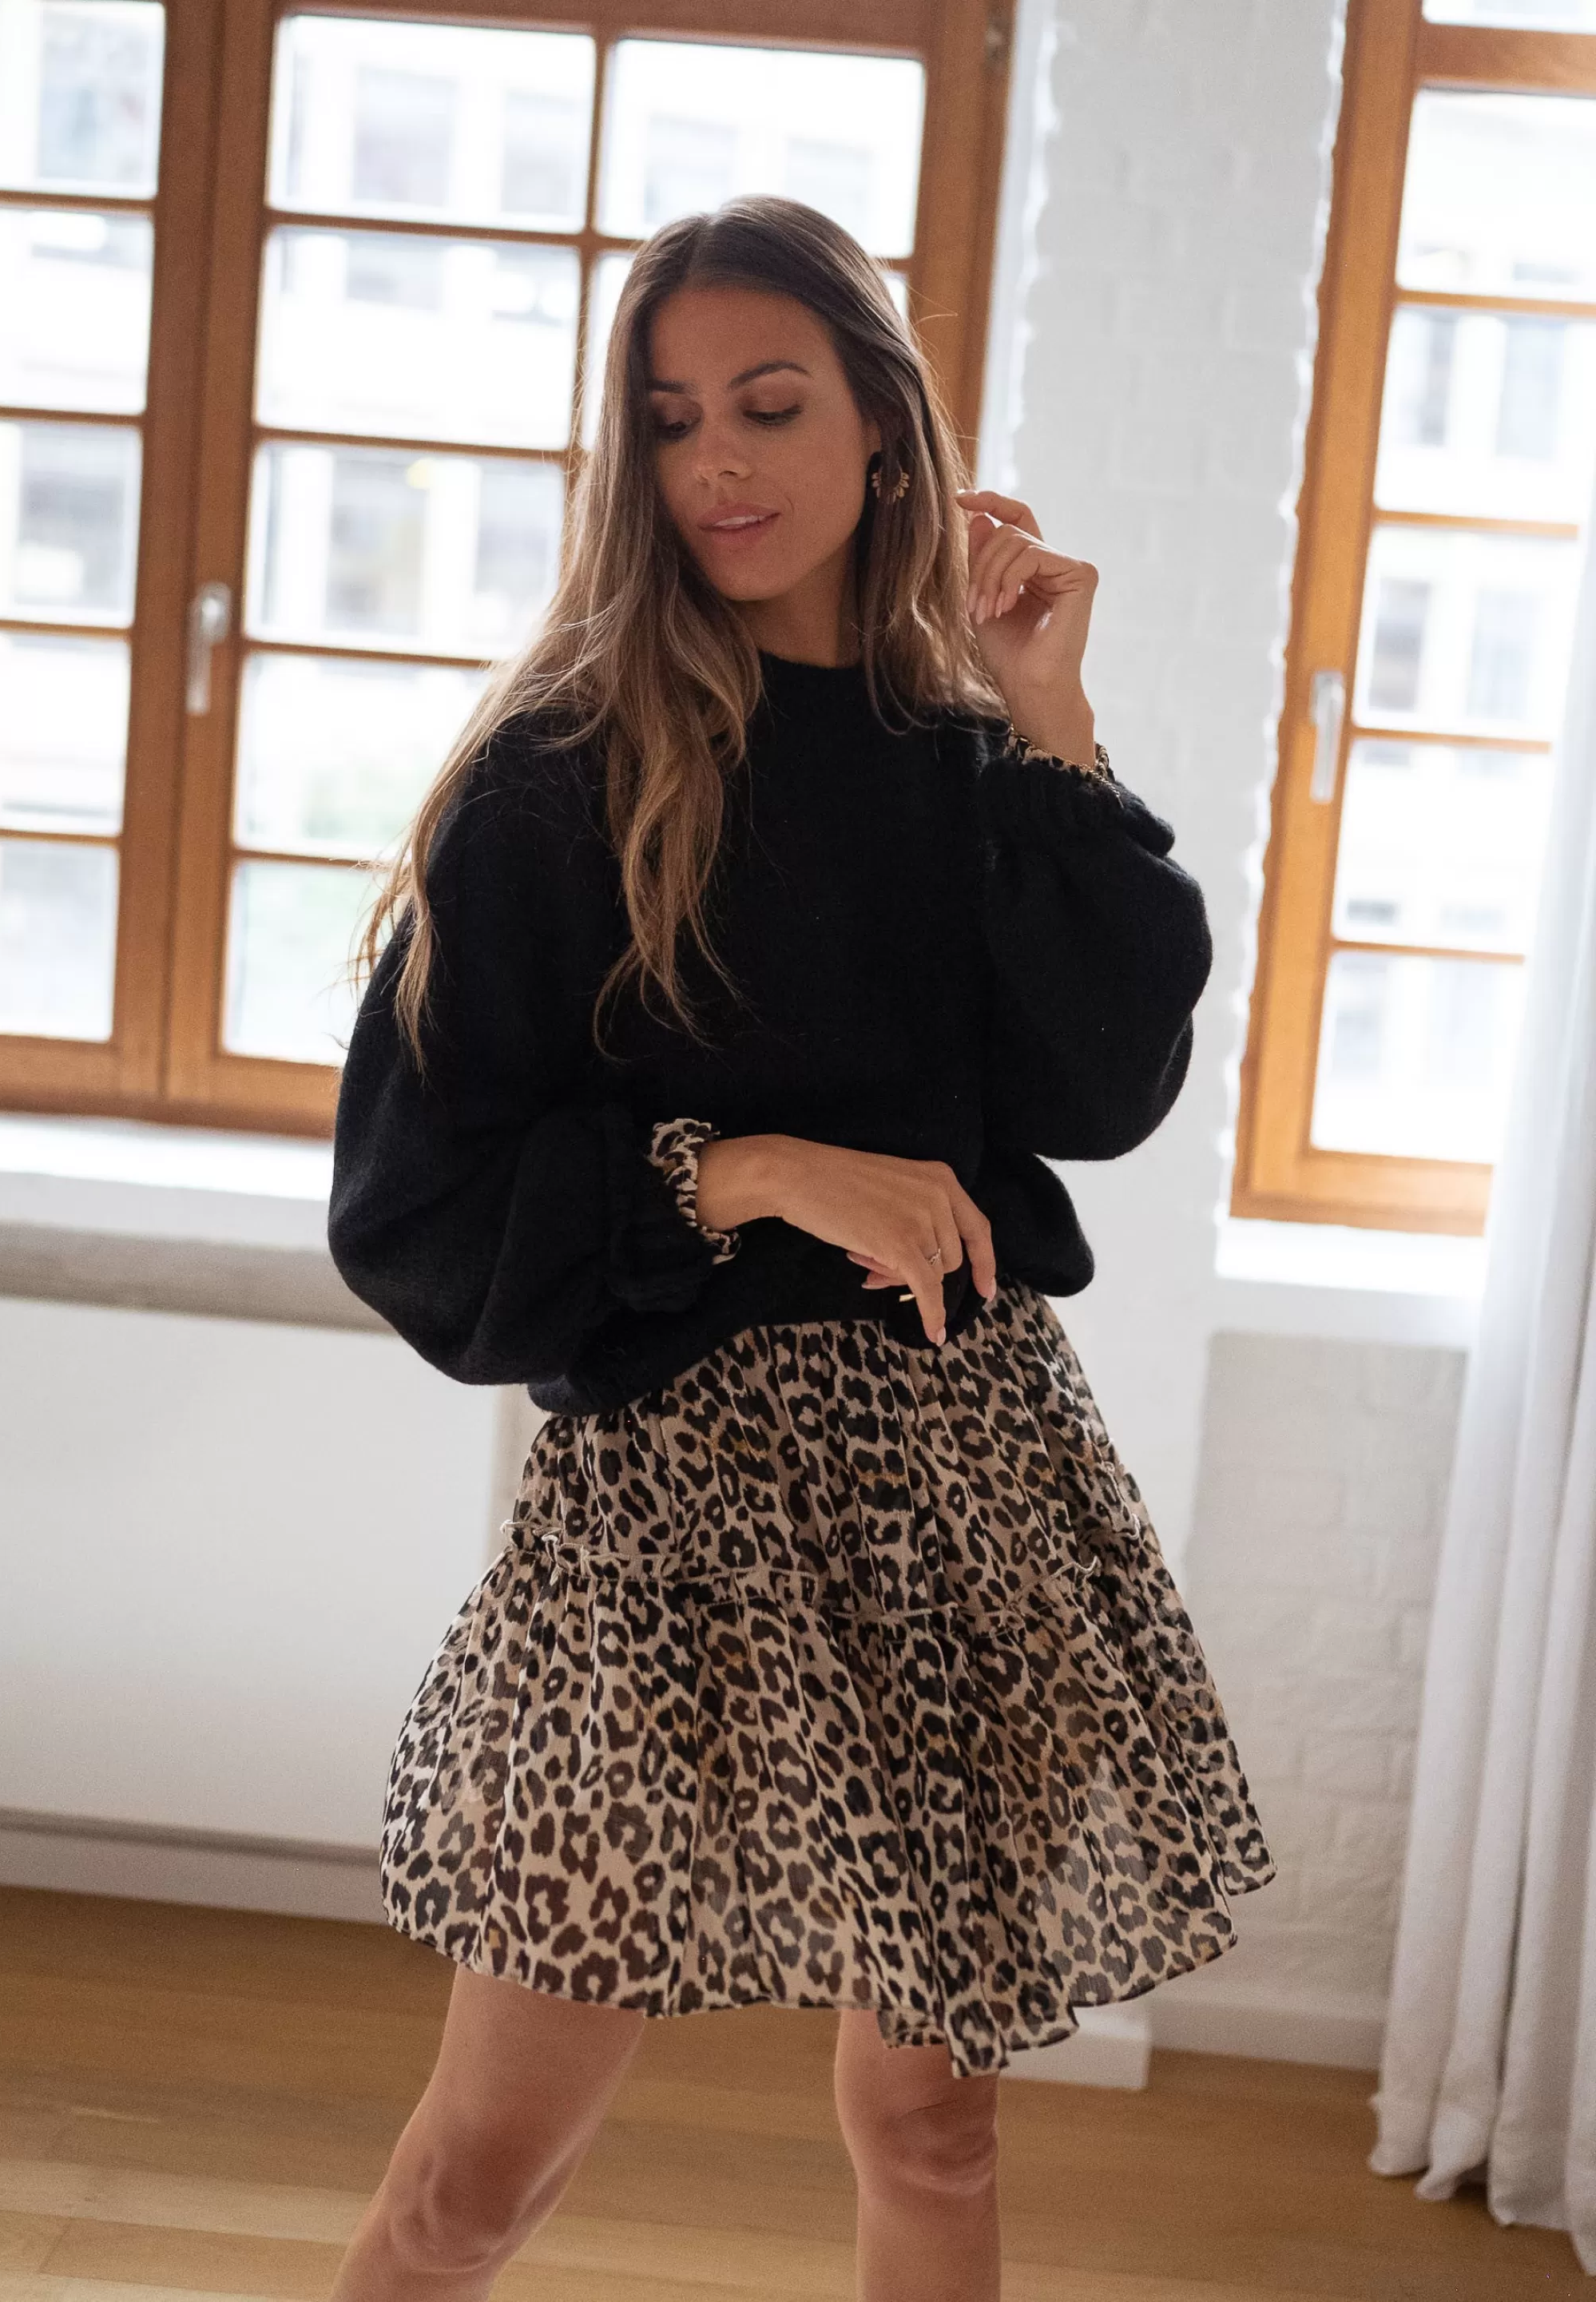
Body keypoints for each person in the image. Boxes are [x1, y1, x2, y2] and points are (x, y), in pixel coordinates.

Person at [324, 192, 1274, 2302]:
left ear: (884, 429)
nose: (718, 466)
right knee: (479, 2174)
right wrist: (746, 1169)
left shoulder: (967, 759)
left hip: (964, 1494)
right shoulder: (562, 774)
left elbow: (1105, 1085)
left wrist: (1051, 717)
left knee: (935, 2130)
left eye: (770, 406)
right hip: (666, 1515)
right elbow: (410, 1202)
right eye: (671, 421)